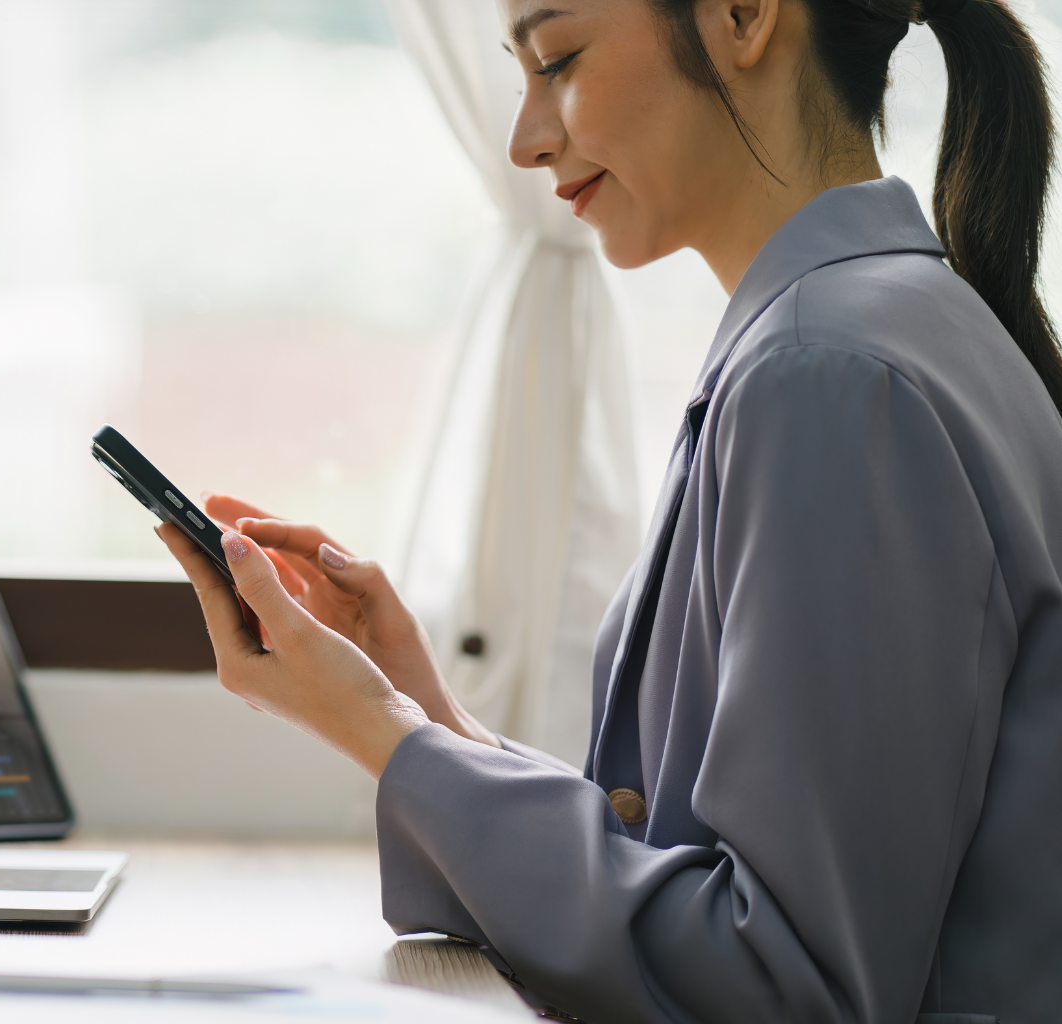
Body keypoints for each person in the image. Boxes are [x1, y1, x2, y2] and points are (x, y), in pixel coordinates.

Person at [153, 0, 1062, 1019]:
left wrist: (374, 730)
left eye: (560, 60)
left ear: (744, 16)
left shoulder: (827, 377)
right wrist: (422, 716)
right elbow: (701, 868)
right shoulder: (864, 333)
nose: (525, 140)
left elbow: (785, 984)